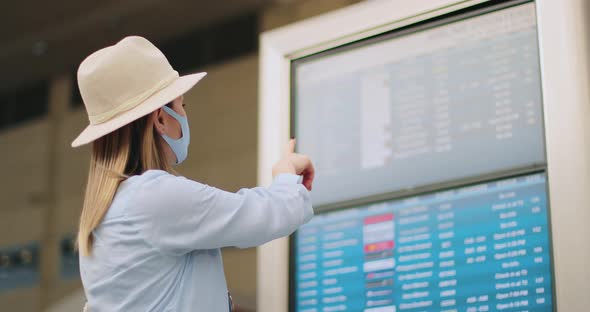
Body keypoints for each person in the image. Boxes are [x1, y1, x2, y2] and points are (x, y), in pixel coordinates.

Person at [71, 36, 315, 311]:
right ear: (161, 119)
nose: (185, 116)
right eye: (181, 106)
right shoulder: (153, 197)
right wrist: (286, 174)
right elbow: (265, 215)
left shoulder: (103, 214)